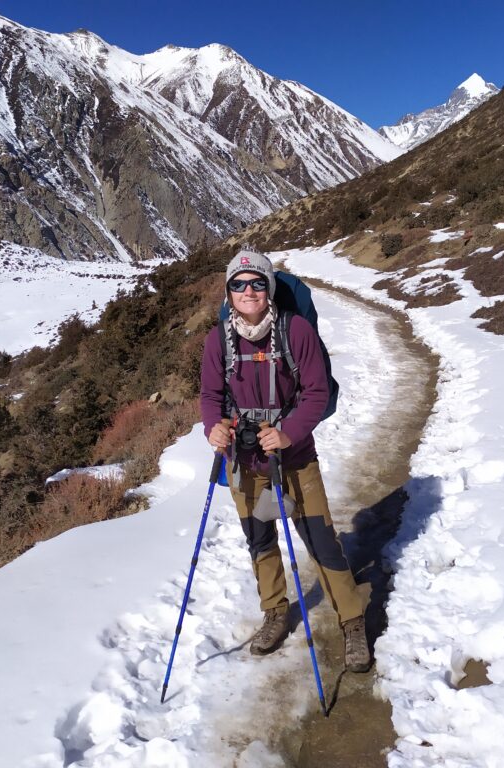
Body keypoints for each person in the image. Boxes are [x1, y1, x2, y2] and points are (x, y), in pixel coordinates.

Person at [199, 249, 371, 673]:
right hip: (243, 459)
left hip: (294, 458)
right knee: (259, 541)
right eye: (238, 284)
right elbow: (210, 397)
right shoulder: (217, 339)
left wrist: (288, 433)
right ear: (228, 292)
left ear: (270, 287)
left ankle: (351, 621)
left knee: (320, 541)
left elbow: (316, 393)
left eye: (257, 282)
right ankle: (275, 612)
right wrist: (212, 428)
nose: (249, 291)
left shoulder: (296, 332)